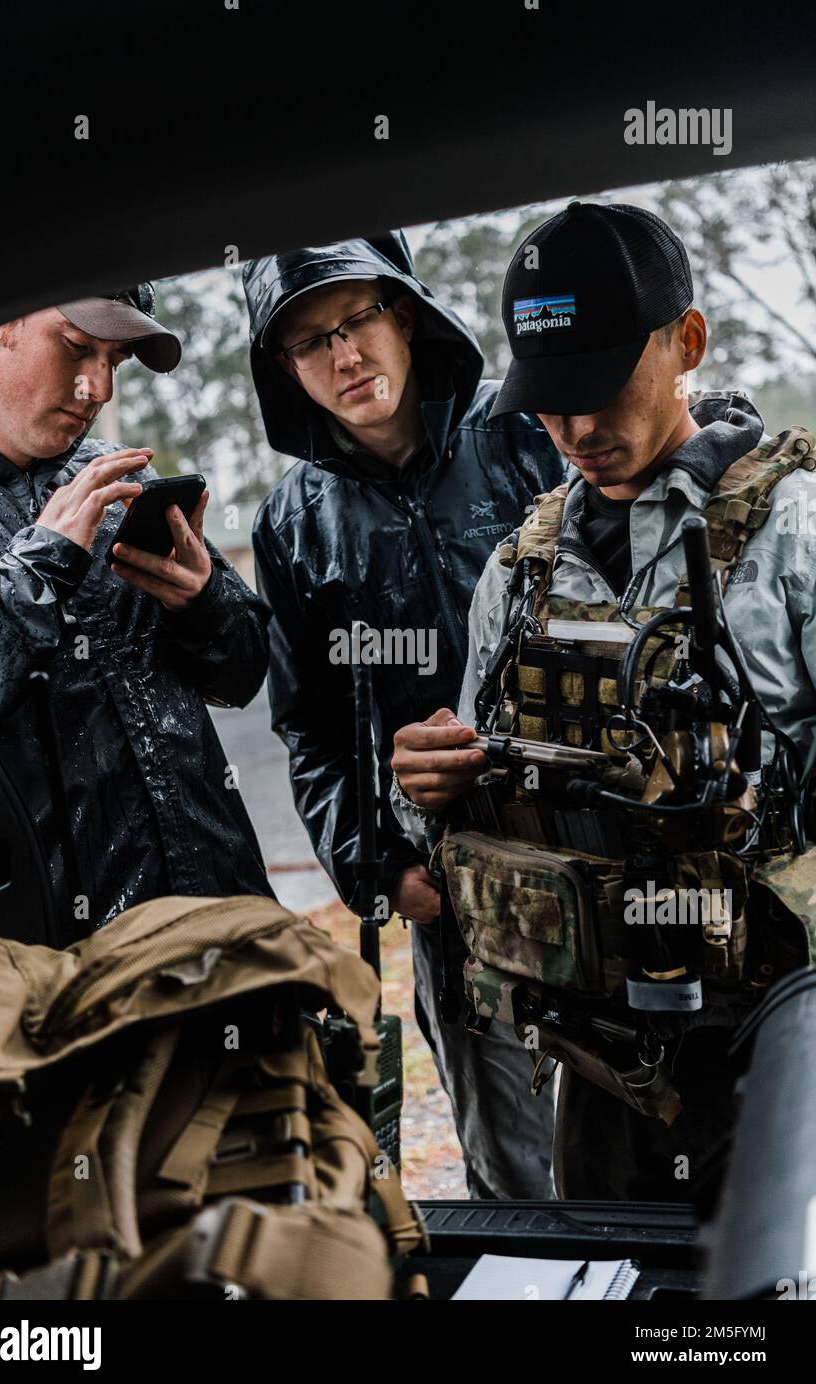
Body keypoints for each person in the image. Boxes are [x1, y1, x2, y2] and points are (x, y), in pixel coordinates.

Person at [390, 201, 816, 1202]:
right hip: (600, 1066)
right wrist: (423, 783)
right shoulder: (519, 567)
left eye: (597, 387)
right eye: (546, 398)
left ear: (687, 343)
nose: (573, 429)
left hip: (774, 1048)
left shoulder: (791, 537)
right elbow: (466, 787)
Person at [244, 232, 565, 1199]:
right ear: (284, 370)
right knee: (513, 1172)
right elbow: (305, 724)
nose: (343, 358)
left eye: (358, 321)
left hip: (595, 852)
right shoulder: (293, 523)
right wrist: (376, 868)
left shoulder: (526, 435)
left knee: (632, 1135)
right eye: (309, 343)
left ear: (407, 317)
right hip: (454, 893)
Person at [0, 284, 273, 942]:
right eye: (76, 349)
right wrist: (38, 568)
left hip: (225, 932)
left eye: (116, 360)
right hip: (53, 984)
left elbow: (243, 675)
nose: (100, 389)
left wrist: (203, 604)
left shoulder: (120, 481)